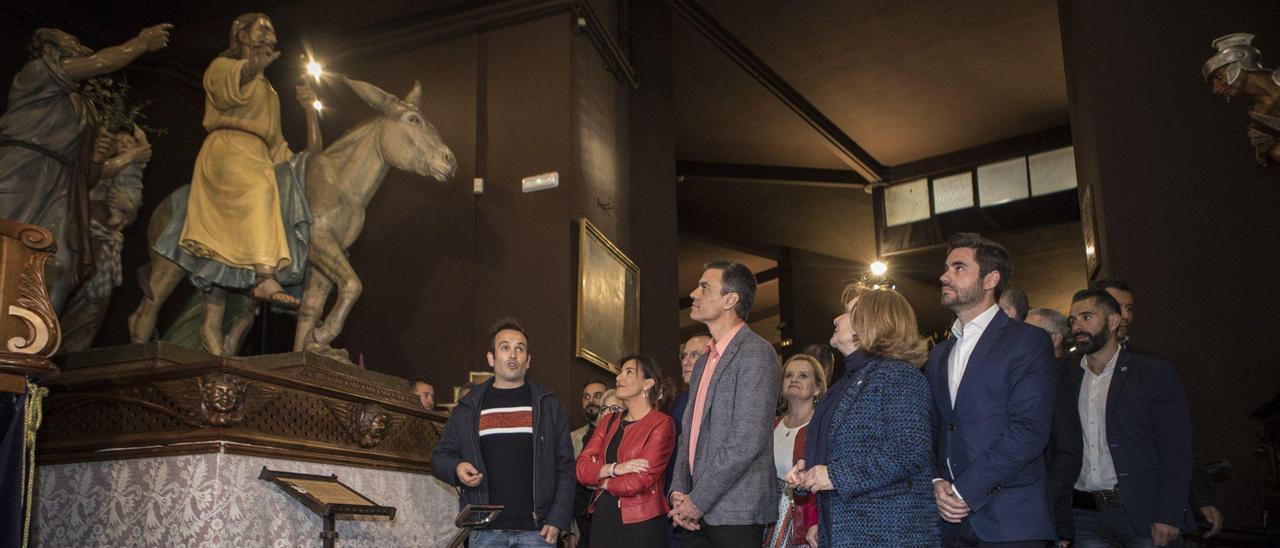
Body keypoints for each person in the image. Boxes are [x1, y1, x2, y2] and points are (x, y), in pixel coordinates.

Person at [0, 24, 172, 310]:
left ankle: (34, 340)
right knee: (6, 246)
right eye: (70, 39)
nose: (77, 43)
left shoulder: (83, 106)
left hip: (63, 182)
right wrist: (141, 43)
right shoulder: (38, 72)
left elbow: (90, 175)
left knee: (59, 262)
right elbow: (101, 62)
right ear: (48, 47)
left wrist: (94, 158)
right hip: (24, 169)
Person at [925, 232, 1057, 546]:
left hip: (1011, 521)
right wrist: (936, 481)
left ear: (990, 279)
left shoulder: (1027, 341)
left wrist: (963, 490)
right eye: (946, 267)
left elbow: (1029, 431)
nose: (944, 276)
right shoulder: (940, 353)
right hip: (951, 525)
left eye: (958, 268)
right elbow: (933, 429)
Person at [786, 286, 938, 547]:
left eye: (847, 313)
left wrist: (834, 475)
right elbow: (843, 452)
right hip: (843, 529)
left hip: (889, 533)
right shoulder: (844, 385)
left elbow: (908, 450)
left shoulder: (899, 375)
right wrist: (808, 472)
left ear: (872, 323)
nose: (836, 319)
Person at [179, 13, 311, 309]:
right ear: (241, 35)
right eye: (264, 29)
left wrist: (309, 120)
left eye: (273, 32)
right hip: (227, 149)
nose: (271, 37)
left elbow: (277, 143)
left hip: (260, 156)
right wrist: (252, 67)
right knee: (259, 189)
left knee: (287, 194)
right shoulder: (222, 67)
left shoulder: (270, 91)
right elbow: (225, 92)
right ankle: (265, 277)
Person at [1050, 289, 1194, 547]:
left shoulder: (1153, 373)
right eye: (1073, 320)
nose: (1077, 326)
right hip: (1083, 517)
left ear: (1114, 321)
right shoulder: (1063, 375)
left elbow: (1176, 449)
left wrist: (1169, 514)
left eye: (1086, 317)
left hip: (1141, 514)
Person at [1088, 277, 1224, 538]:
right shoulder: (1074, 372)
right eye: (1118, 307)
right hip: (1088, 516)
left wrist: (1202, 497)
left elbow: (1178, 441)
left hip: (1146, 510)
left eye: (1131, 308)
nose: (1125, 316)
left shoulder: (1153, 367)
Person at [430, 318, 575, 546]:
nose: (513, 354)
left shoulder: (549, 405)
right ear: (491, 358)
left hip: (538, 532)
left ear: (528, 361)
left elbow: (566, 466)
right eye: (505, 347)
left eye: (520, 349)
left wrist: (558, 518)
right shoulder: (468, 407)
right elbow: (439, 458)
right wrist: (457, 468)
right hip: (485, 531)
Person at [669, 261, 779, 547]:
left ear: (731, 300)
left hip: (736, 512)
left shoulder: (756, 353)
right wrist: (679, 491)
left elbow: (747, 440)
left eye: (704, 287)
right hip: (694, 511)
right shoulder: (704, 359)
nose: (693, 293)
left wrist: (698, 499)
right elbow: (688, 434)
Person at [577, 355, 676, 547]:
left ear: (647, 383)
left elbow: (638, 482)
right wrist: (615, 468)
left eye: (628, 372)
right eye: (620, 372)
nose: (619, 377)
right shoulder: (608, 421)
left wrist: (603, 482)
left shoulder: (662, 424)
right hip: (603, 518)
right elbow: (581, 469)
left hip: (641, 522)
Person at [766, 354, 824, 548]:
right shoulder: (772, 426)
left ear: (817, 388)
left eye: (803, 375)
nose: (794, 379)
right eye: (789, 375)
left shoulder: (823, 427)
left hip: (804, 520)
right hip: (768, 517)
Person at [571, 379, 611, 548]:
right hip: (582, 525)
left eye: (597, 396)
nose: (591, 401)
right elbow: (568, 485)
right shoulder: (573, 438)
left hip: (611, 520)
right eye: (586, 397)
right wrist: (570, 530)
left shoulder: (620, 435)